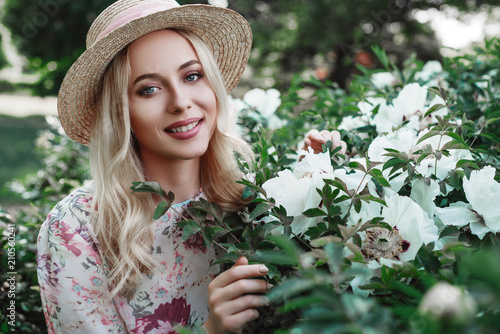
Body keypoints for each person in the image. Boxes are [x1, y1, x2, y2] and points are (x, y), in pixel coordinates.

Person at [36, 0, 346, 333]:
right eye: (149, 88)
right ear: (119, 113)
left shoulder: (249, 200)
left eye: (192, 75)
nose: (181, 102)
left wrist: (309, 186)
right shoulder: (76, 229)